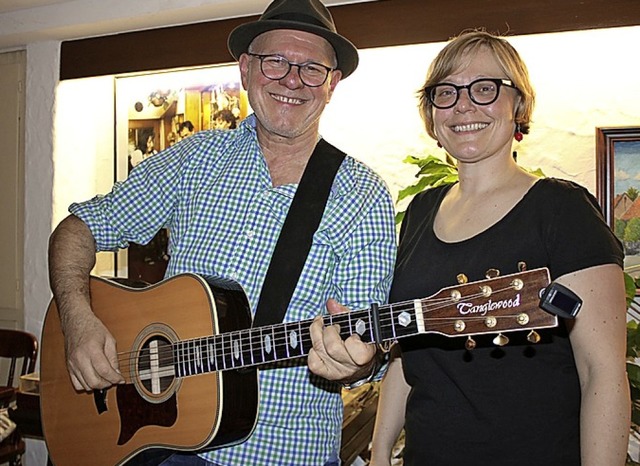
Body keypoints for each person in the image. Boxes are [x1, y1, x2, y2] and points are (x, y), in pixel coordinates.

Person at [47, 1, 397, 465]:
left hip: (286, 454)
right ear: (246, 70)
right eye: (275, 61)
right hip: (162, 448)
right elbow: (77, 229)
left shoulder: (362, 194)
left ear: (331, 84)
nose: (292, 80)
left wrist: (357, 360)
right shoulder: (194, 158)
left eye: (312, 68)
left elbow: (361, 342)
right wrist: (76, 318)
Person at [369, 30, 630, 466]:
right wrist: (379, 455)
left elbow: (601, 372)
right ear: (431, 114)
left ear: (519, 106)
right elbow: (406, 357)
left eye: (484, 88)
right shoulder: (420, 210)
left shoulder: (561, 209)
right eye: (445, 93)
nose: (464, 105)